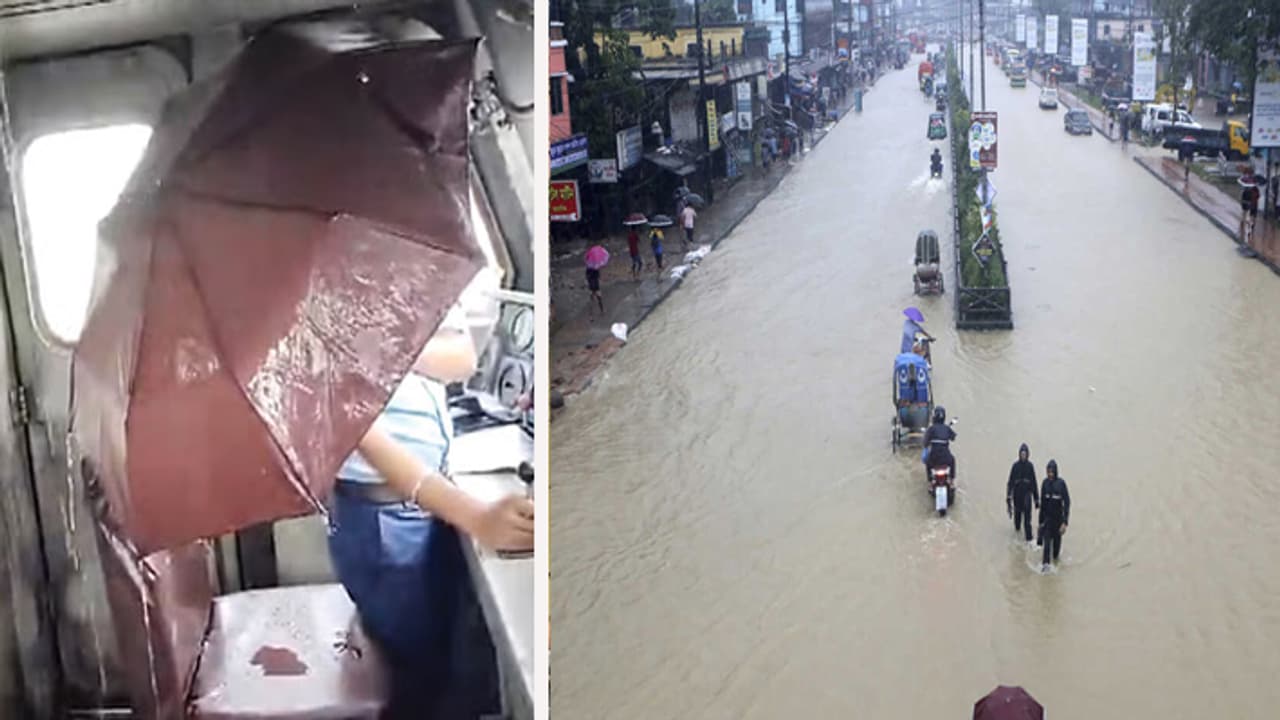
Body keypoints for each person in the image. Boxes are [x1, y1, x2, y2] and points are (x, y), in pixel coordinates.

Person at [327, 308, 535, 717]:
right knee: (415, 671)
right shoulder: (321, 304)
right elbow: (362, 434)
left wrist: (391, 345)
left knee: (444, 655)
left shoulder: (413, 272)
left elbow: (462, 357)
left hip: (420, 503)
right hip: (383, 517)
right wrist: (476, 516)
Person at [1038, 459, 1071, 571]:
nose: (1050, 474)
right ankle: (1045, 569)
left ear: (1056, 472)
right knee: (1046, 547)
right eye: (1048, 472)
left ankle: (1055, 565)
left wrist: (1065, 522)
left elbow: (1067, 502)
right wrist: (1040, 523)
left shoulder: (1061, 484)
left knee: (1056, 554)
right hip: (1048, 521)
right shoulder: (1045, 484)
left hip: (1058, 522)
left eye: (1052, 472)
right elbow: (1042, 505)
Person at [1006, 443, 1039, 542]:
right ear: (1019, 454)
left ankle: (1029, 540)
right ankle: (1017, 540)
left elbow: (1034, 483)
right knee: (1017, 522)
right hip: (1017, 496)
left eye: (1025, 454)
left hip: (1027, 496)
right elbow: (1010, 482)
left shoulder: (1030, 466)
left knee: (1027, 522)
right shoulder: (1015, 466)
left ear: (1028, 454)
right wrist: (1008, 496)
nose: (1023, 456)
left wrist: (1036, 499)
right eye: (1022, 454)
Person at [922, 405, 956, 481]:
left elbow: (925, 443)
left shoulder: (931, 429)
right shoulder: (946, 428)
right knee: (953, 460)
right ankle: (952, 481)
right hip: (946, 458)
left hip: (934, 458)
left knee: (927, 463)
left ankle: (930, 481)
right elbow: (953, 437)